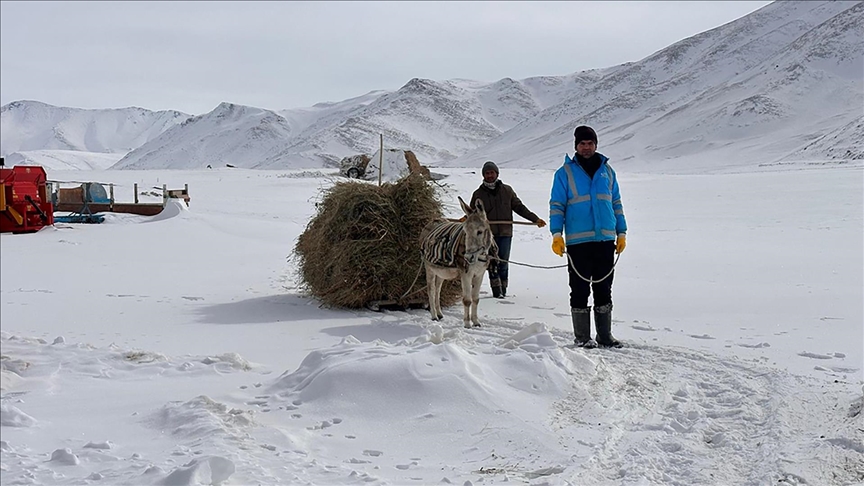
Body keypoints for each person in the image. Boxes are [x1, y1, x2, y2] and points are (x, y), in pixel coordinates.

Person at [549, 126, 627, 348]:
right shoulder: (564, 173)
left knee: (604, 288)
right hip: (578, 242)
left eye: (590, 143)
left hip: (605, 240)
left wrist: (621, 232)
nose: (586, 147)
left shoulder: (607, 171)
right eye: (582, 144)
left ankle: (604, 335)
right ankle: (582, 337)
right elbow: (557, 205)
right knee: (580, 288)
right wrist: (556, 234)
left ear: (596, 145)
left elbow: (616, 203)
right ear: (576, 146)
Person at [471, 161, 546, 299]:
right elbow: (472, 213)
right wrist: (465, 219)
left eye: (492, 173)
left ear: (497, 174)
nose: (489, 175)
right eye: (487, 173)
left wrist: (535, 219)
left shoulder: (507, 190)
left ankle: (503, 288)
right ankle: (497, 291)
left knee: (503, 261)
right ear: (483, 175)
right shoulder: (478, 194)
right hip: (488, 235)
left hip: (505, 233)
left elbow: (519, 207)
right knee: (492, 261)